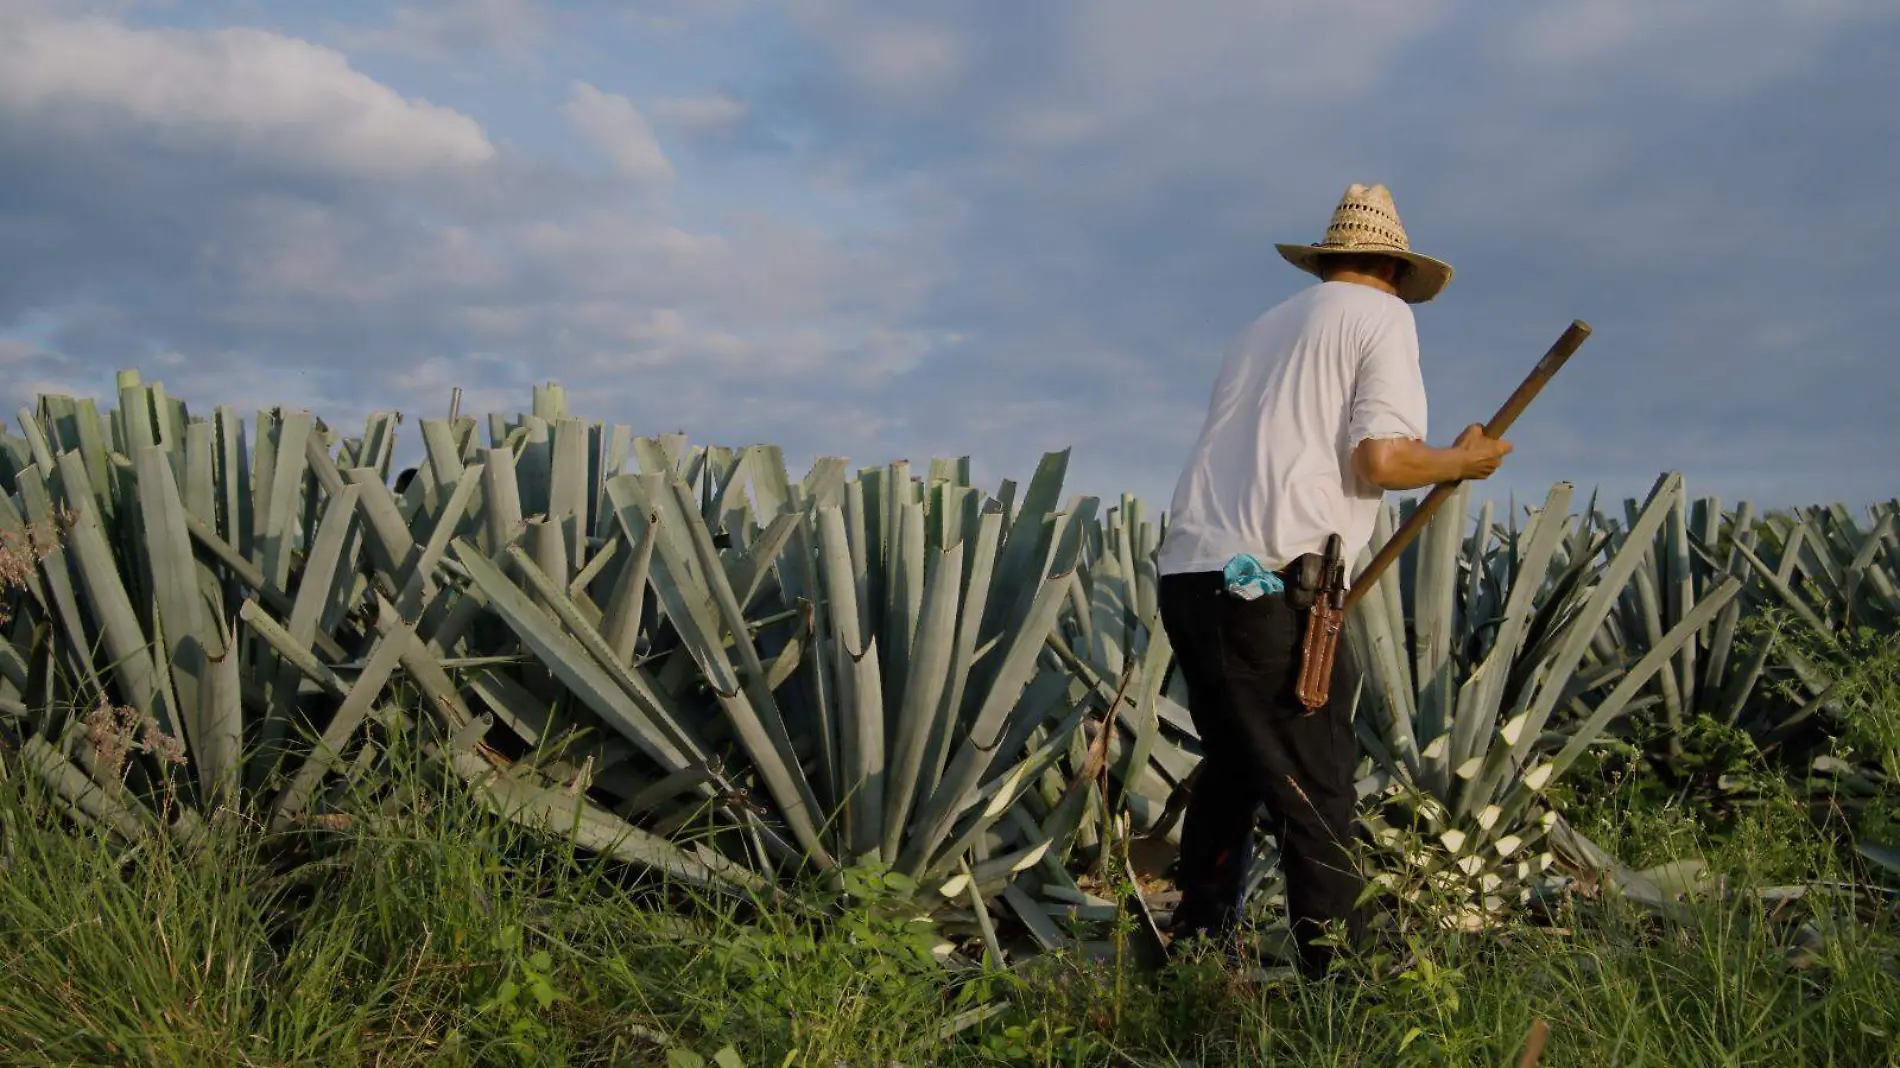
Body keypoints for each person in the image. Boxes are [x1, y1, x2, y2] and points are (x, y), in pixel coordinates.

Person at [1155, 182, 1513, 979]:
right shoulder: (1382, 317)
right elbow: (1381, 461)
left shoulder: (1258, 331)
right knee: (1316, 788)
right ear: (1393, 266)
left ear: (1329, 261)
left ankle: (1200, 952)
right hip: (1274, 581)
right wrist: (1467, 461)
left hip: (1190, 572)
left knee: (1238, 764)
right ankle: (1344, 989)